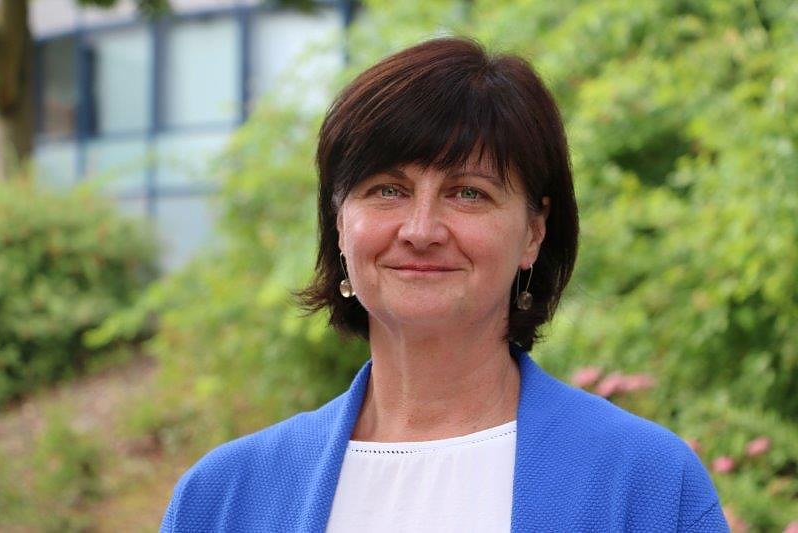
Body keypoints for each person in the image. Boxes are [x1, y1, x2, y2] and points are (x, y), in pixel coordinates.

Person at [160, 37, 728, 532]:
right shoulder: (223, 497)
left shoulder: (649, 484)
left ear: (533, 232)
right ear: (339, 224)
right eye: (387, 190)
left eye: (468, 193)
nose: (421, 230)